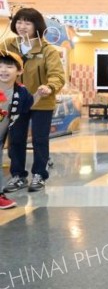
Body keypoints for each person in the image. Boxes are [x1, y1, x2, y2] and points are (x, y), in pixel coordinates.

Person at [3, 8, 66, 193]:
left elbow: (57, 75)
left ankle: (39, 174)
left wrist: (50, 86)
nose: (22, 26)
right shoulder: (7, 46)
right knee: (15, 139)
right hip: (15, 101)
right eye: (19, 22)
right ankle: (18, 176)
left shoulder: (48, 50)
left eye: (27, 23)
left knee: (39, 139)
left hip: (41, 101)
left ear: (36, 26)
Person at [0, 51, 42, 207]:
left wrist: (39, 93)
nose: (3, 70)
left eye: (9, 67)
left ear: (19, 71)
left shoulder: (21, 91)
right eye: (0, 66)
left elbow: (27, 105)